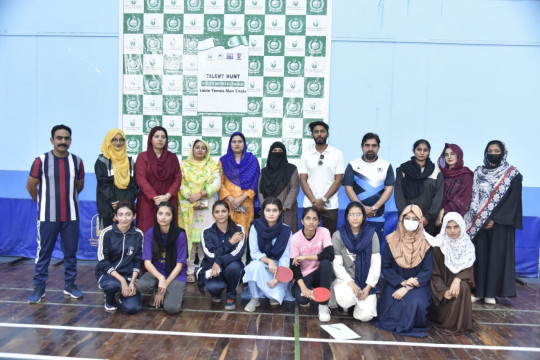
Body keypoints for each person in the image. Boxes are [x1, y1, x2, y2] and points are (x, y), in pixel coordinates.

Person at [26, 124, 85, 303]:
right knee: (44, 253)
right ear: (52, 140)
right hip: (47, 217)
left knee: (70, 253)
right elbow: (31, 185)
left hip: (71, 216)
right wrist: (43, 203)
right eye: (59, 138)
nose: (63, 141)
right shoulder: (41, 160)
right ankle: (39, 287)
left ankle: (70, 285)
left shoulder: (77, 161)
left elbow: (79, 187)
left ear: (70, 141)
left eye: (66, 138)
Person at [464, 140, 522, 305]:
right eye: (490, 150)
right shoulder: (478, 172)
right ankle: (477, 291)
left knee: (495, 258)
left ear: (503, 153)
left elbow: (513, 201)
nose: (493, 153)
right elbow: (473, 196)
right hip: (479, 223)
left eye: (497, 150)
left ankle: (490, 293)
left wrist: (494, 219)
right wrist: (481, 218)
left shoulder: (512, 174)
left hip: (500, 225)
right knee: (479, 258)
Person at [373, 204, 433, 338]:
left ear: (420, 222)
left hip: (418, 283)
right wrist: (402, 282)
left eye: (414, 219)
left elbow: (427, 270)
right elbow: (386, 267)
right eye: (408, 218)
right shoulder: (391, 239)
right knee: (393, 303)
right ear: (401, 219)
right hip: (396, 280)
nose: (410, 222)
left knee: (415, 303)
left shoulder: (427, 243)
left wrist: (407, 287)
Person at [179, 140, 221, 283]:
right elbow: (180, 183)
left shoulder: (212, 166)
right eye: (197, 147)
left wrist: (200, 195)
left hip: (207, 206)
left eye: (203, 148)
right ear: (192, 149)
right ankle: (190, 271)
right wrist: (192, 199)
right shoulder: (184, 165)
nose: (200, 150)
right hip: (188, 206)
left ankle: (204, 269)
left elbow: (217, 184)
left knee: (205, 241)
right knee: (190, 241)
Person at [330, 202, 380, 322]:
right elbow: (337, 265)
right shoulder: (338, 235)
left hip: (365, 281)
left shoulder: (372, 235)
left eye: (358, 214)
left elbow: (376, 264)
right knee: (345, 299)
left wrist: (368, 287)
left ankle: (358, 305)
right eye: (352, 214)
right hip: (346, 281)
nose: (355, 218)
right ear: (347, 217)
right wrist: (351, 283)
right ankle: (349, 304)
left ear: (364, 216)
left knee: (365, 317)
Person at [427, 212, 475, 334]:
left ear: (462, 227)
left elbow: (468, 270)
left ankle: (461, 324)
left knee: (463, 286)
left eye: (456, 227)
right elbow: (434, 275)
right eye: (448, 227)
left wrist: (457, 279)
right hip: (442, 294)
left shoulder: (467, 246)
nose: (452, 231)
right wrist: (444, 291)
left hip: (458, 287)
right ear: (444, 228)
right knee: (454, 292)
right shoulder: (439, 246)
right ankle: (448, 322)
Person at [136, 202, 188, 314]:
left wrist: (162, 290)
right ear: (156, 215)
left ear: (173, 216)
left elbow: (180, 265)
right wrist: (160, 278)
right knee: (141, 285)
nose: (163, 217)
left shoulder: (180, 235)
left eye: (167, 214)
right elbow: (147, 263)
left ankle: (170, 292)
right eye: (160, 213)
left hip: (175, 274)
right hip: (158, 272)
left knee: (172, 309)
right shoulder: (150, 233)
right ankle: (162, 291)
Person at [343, 133, 394, 246]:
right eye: (367, 145)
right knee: (354, 249)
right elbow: (348, 188)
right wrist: (361, 208)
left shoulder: (386, 165)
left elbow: (389, 189)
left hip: (377, 217)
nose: (370, 149)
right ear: (362, 147)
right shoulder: (353, 165)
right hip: (356, 217)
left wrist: (374, 208)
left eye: (374, 145)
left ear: (378, 147)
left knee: (374, 251)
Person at [243, 197, 293, 312]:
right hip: (262, 263)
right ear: (263, 211)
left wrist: (278, 278)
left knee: (274, 298)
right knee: (254, 265)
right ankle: (255, 298)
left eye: (274, 211)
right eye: (268, 210)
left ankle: (271, 292)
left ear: (280, 212)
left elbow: (285, 258)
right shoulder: (255, 226)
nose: (271, 214)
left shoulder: (286, 231)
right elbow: (254, 253)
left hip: (278, 268)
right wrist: (269, 261)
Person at [96, 199, 143, 313]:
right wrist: (121, 280)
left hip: (129, 276)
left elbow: (138, 260)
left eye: (128, 214)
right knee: (112, 285)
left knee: (133, 308)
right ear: (115, 216)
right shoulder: (106, 233)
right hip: (109, 275)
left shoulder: (138, 234)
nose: (124, 218)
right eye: (120, 215)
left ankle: (123, 294)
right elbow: (103, 261)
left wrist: (132, 282)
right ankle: (110, 298)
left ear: (134, 216)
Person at [197, 200, 245, 310]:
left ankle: (231, 296)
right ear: (213, 214)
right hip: (212, 266)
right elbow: (210, 254)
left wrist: (219, 261)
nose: (220, 214)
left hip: (230, 266)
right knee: (214, 287)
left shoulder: (239, 230)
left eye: (223, 211)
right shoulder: (206, 232)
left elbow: (237, 253)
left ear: (229, 213)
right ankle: (216, 293)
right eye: (217, 212)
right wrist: (230, 243)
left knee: (234, 267)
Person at [299, 121, 345, 234]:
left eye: (322, 131)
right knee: (308, 235)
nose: (319, 134)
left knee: (329, 236)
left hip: (330, 204)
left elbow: (338, 180)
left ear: (327, 134)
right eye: (316, 132)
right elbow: (303, 180)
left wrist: (323, 200)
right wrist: (314, 201)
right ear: (312, 135)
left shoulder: (337, 154)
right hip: (310, 203)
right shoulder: (306, 154)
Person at [290, 207, 335, 322]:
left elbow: (330, 255)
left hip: (320, 272)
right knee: (302, 300)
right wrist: (304, 288)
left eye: (315, 219)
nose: (311, 222)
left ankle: (323, 304)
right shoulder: (295, 238)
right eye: (308, 218)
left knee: (326, 263)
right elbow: (294, 267)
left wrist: (306, 257)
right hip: (305, 275)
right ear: (302, 221)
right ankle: (313, 290)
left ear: (318, 222)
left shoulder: (324, 232)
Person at [135, 126, 182, 233]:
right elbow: (141, 179)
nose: (160, 139)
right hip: (148, 202)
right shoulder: (143, 157)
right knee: (147, 231)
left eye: (163, 137)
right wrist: (154, 197)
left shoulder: (172, 157)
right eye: (156, 136)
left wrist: (167, 196)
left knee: (168, 232)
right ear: (151, 139)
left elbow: (178, 178)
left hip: (168, 200)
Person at [395, 139, 443, 235]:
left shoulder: (435, 171)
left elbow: (438, 196)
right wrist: (407, 215)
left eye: (425, 150)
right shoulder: (404, 169)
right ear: (414, 150)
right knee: (406, 248)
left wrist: (427, 217)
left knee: (425, 248)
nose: (422, 153)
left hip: (428, 222)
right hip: (407, 220)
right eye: (419, 149)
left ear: (429, 152)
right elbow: (398, 194)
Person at [218, 132, 260, 236]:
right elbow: (219, 182)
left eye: (240, 141)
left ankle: (244, 252)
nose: (237, 144)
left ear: (244, 143)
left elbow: (255, 183)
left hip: (245, 203)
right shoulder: (223, 161)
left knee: (244, 232)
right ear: (230, 144)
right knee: (226, 232)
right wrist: (231, 200)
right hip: (228, 203)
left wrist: (241, 199)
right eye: (234, 142)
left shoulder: (252, 160)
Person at [95, 129, 138, 229]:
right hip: (108, 208)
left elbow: (134, 186)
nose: (118, 143)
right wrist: (114, 202)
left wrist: (124, 203)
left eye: (121, 140)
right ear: (109, 142)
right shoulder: (102, 161)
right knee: (108, 239)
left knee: (126, 240)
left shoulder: (130, 162)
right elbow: (103, 184)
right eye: (114, 140)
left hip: (126, 209)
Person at [258, 141, 300, 233]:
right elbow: (260, 190)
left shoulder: (291, 169)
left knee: (287, 234)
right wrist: (266, 207)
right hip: (269, 211)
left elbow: (294, 189)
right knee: (268, 234)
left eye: (280, 150)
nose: (277, 153)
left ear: (284, 153)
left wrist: (284, 206)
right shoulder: (264, 171)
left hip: (286, 210)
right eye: (275, 150)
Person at [435, 143, 473, 228]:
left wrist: (444, 211)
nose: (449, 157)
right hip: (437, 219)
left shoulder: (465, 175)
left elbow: (463, 198)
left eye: (452, 154)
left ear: (458, 155)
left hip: (455, 220)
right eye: (446, 154)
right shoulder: (441, 174)